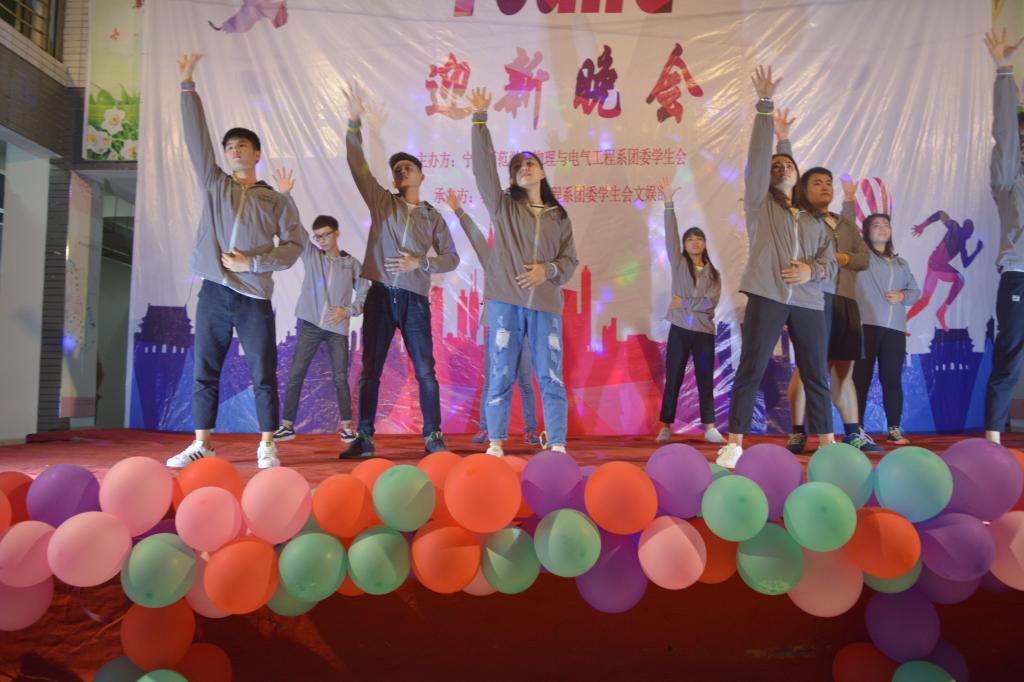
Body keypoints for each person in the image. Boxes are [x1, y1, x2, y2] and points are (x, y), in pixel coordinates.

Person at [166, 53, 306, 470]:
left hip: (253, 297)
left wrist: (254, 264)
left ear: (257, 153)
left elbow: (294, 245)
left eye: (242, 145)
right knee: (204, 370)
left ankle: (267, 444)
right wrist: (187, 85)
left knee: (263, 372)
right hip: (214, 291)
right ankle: (202, 444)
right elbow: (197, 140)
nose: (233, 150)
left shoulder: (274, 199)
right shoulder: (215, 184)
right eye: (229, 146)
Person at [716, 65, 837, 469]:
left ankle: (827, 444)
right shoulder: (760, 204)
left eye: (789, 166)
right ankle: (734, 443)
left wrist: (811, 272)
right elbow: (759, 159)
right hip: (768, 294)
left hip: (808, 301)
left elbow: (829, 263)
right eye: (776, 168)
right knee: (751, 367)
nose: (783, 169)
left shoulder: (815, 219)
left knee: (815, 372)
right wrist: (765, 108)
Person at [340, 90, 460, 458]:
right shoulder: (382, 203)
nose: (402, 171)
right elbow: (358, 166)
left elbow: (451, 258)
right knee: (370, 370)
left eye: (408, 167)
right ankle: (364, 438)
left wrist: (420, 263)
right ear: (393, 182)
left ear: (422, 175)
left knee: (425, 371)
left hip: (415, 300)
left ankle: (433, 435)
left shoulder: (432, 216)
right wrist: (354, 123)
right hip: (379, 295)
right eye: (397, 170)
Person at [467, 86, 579, 457]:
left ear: (542, 172)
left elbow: (569, 260)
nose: (524, 169)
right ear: (513, 179)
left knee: (550, 375)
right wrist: (480, 121)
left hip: (545, 305)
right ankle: (496, 442)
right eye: (517, 168)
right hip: (505, 301)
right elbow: (484, 170)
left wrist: (547, 270)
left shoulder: (559, 216)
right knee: (501, 371)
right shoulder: (503, 207)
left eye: (530, 163)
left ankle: (557, 443)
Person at [269, 177, 369, 444]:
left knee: (340, 378)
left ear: (336, 233)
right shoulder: (312, 255)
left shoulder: (351, 263)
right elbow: (296, 227)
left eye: (326, 235)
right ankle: (287, 425)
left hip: (337, 329)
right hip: (312, 325)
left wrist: (348, 311)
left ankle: (347, 427)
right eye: (318, 236)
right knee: (296, 374)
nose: (322, 240)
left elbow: (365, 292)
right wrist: (286, 196)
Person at [445, 190, 542, 447]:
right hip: (498, 328)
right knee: (493, 378)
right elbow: (476, 237)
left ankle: (531, 429)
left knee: (525, 380)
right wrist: (459, 211)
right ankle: (487, 428)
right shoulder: (494, 258)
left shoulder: (532, 258)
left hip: (524, 327)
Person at [655, 177, 725, 445]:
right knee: (673, 378)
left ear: (705, 244)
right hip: (680, 330)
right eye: (690, 240)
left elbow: (710, 304)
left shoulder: (713, 274)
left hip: (704, 332)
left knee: (705, 380)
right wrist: (668, 203)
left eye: (699, 239)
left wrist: (683, 303)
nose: (694, 243)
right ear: (683, 245)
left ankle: (710, 427)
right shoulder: (679, 263)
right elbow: (670, 234)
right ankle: (665, 426)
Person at [984, 28, 1024, 445]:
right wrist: (1004, 70)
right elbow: (1006, 133)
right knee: (1010, 354)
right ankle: (994, 436)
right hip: (1019, 275)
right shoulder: (1010, 179)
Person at [853, 213, 921, 445]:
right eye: (876, 225)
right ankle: (856, 429)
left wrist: (902, 295)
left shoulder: (901, 263)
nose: (882, 228)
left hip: (895, 329)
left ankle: (894, 429)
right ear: (866, 231)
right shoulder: (863, 258)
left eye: (886, 224)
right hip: (867, 325)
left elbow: (915, 292)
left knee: (891, 379)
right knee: (860, 379)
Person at [904, 210, 984, 331]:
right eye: (968, 234)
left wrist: (977, 250)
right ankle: (942, 311)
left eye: (969, 235)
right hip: (937, 265)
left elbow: (965, 263)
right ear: (965, 230)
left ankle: (905, 320)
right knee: (960, 279)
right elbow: (940, 214)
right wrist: (922, 226)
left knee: (925, 299)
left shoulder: (962, 243)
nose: (967, 237)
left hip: (934, 265)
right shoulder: (955, 227)